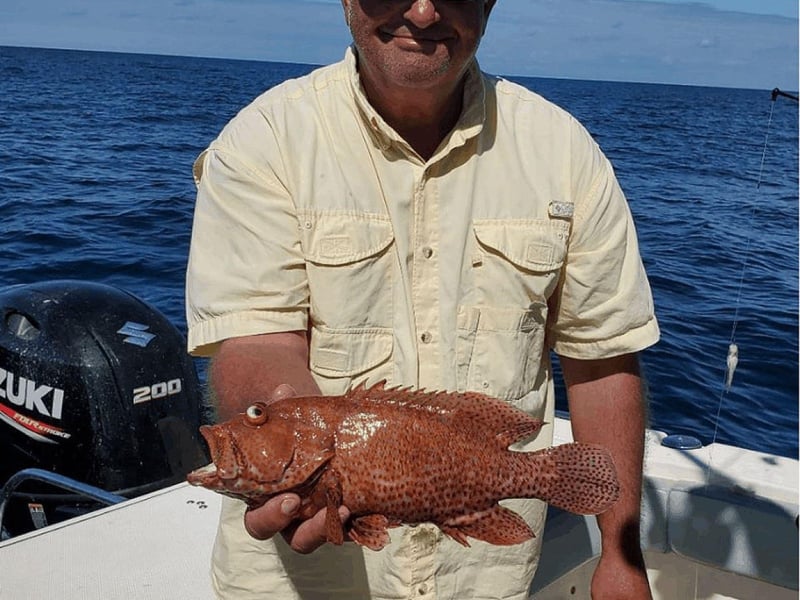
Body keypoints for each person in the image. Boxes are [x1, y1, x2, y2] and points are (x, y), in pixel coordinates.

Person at [185, 0, 660, 598]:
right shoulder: (265, 142)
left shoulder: (564, 152)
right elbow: (256, 339)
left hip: (484, 580)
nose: (423, 9)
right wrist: (272, 411)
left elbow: (603, 359)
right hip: (304, 583)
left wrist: (620, 555)